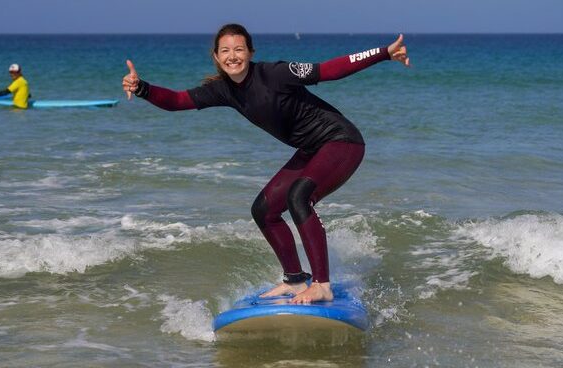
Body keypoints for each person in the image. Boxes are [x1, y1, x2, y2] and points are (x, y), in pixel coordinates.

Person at [123, 24, 410, 304]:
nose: (232, 56)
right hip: (312, 148)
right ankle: (295, 279)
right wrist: (141, 88)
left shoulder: (275, 73)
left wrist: (384, 52)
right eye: (225, 51)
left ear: (250, 52)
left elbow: (329, 70)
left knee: (299, 197)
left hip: (342, 142)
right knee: (264, 210)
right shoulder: (224, 90)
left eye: (239, 49)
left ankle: (322, 285)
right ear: (216, 57)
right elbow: (177, 100)